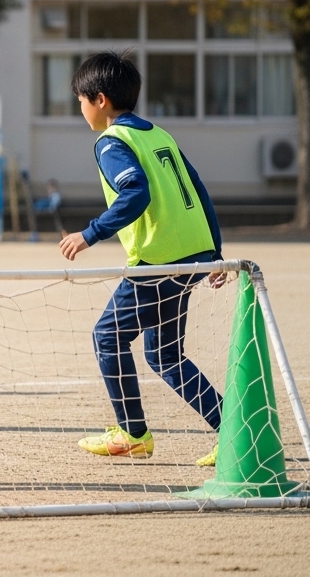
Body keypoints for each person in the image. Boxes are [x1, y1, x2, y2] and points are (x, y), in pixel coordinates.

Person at [58, 50, 224, 466]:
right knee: (165, 355)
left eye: (80, 101)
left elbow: (136, 193)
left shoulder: (111, 142)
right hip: (189, 256)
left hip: (158, 261)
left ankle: (133, 433)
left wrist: (90, 233)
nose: (80, 110)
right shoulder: (158, 134)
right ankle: (235, 431)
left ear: (99, 100)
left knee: (107, 337)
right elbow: (198, 188)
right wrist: (213, 252)